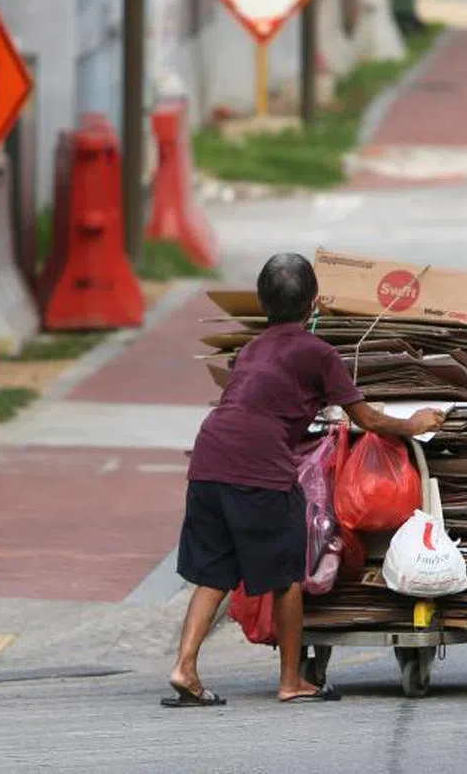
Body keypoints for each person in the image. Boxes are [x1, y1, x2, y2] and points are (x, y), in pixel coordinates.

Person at [161, 252, 445, 707]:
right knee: (287, 575)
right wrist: (414, 424)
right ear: (314, 302)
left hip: (209, 459)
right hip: (258, 469)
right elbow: (367, 418)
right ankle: (292, 681)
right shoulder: (319, 353)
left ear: (262, 303)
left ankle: (185, 667)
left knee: (214, 572)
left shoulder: (250, 350)